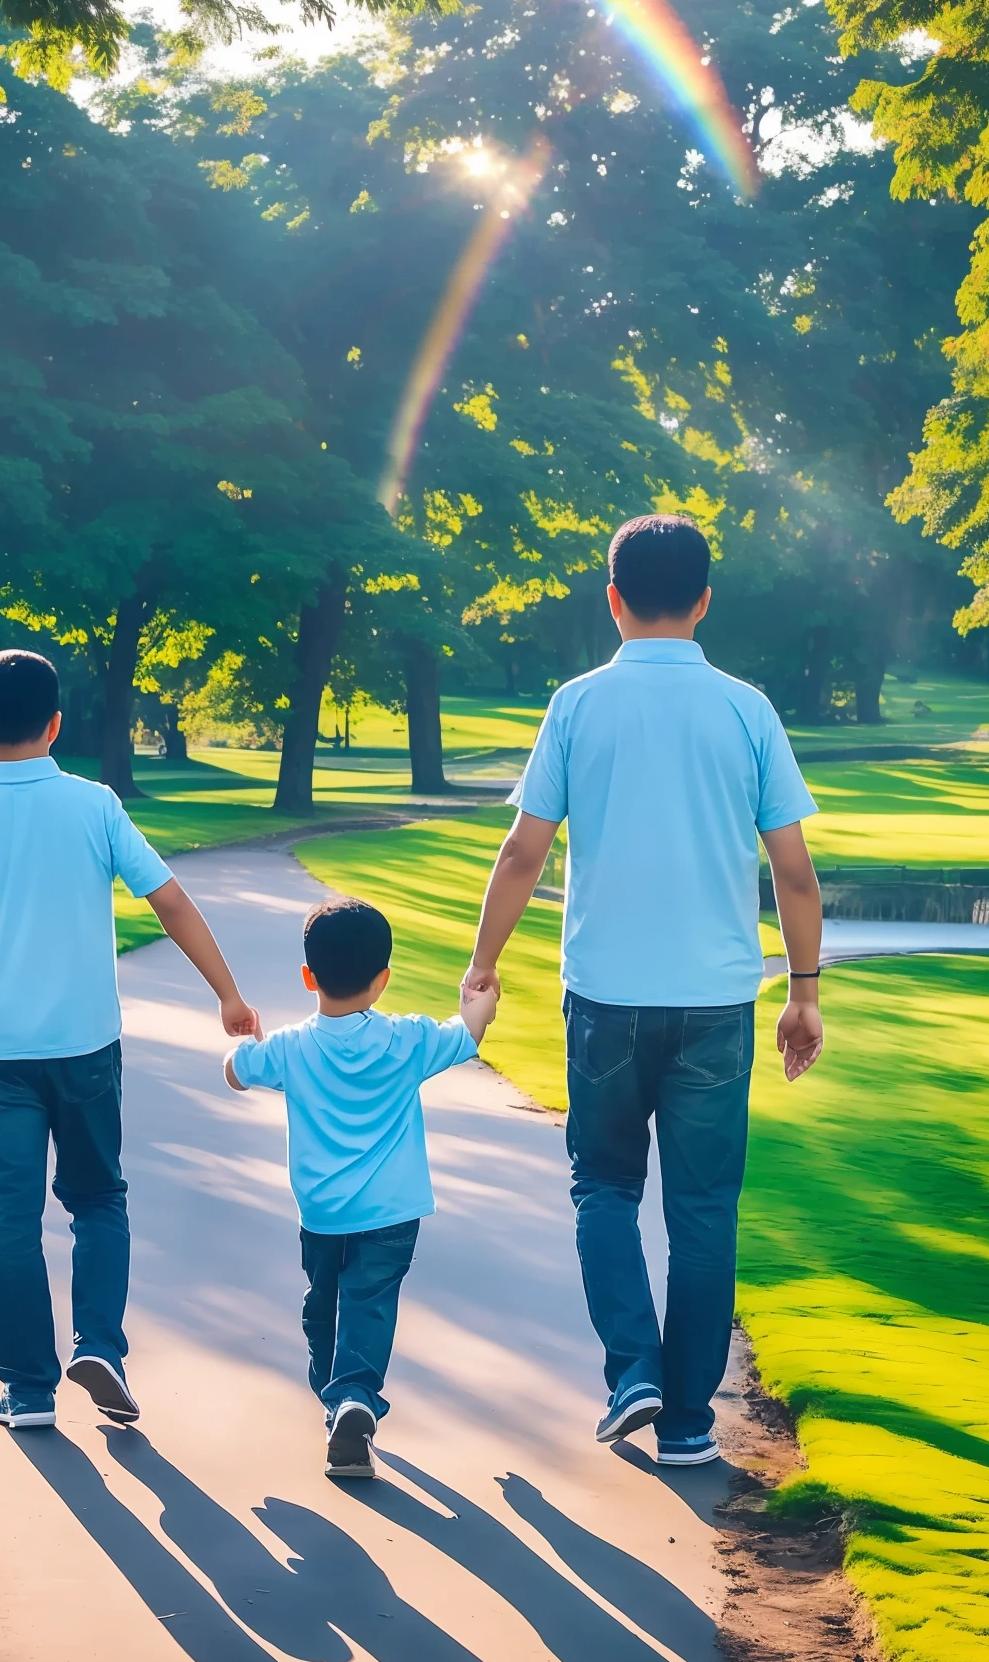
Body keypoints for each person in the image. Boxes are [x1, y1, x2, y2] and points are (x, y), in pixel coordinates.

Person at [462, 514, 825, 1469]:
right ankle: (690, 1423)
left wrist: (483, 961)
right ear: (704, 600)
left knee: (605, 1188)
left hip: (606, 999)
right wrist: (805, 991)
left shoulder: (577, 704)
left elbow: (523, 852)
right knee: (704, 1208)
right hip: (715, 1002)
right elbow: (794, 873)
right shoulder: (747, 710)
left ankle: (634, 1370)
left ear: (613, 599)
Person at [0, 649, 262, 1432]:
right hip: (86, 1046)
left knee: (8, 1218)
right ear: (57, 723)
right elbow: (169, 901)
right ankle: (99, 1344)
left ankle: (28, 1389)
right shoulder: (95, 805)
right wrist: (227, 993)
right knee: (98, 1198)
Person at [225, 896, 497, 1479]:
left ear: (308, 977)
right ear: (383, 980)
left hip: (322, 1212)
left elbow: (236, 1072)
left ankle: (338, 1401)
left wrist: (244, 1039)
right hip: (393, 1212)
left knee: (322, 1306)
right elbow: (467, 1034)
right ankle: (353, 1398)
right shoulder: (407, 1040)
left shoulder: (291, 1048)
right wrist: (480, 999)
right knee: (370, 1305)